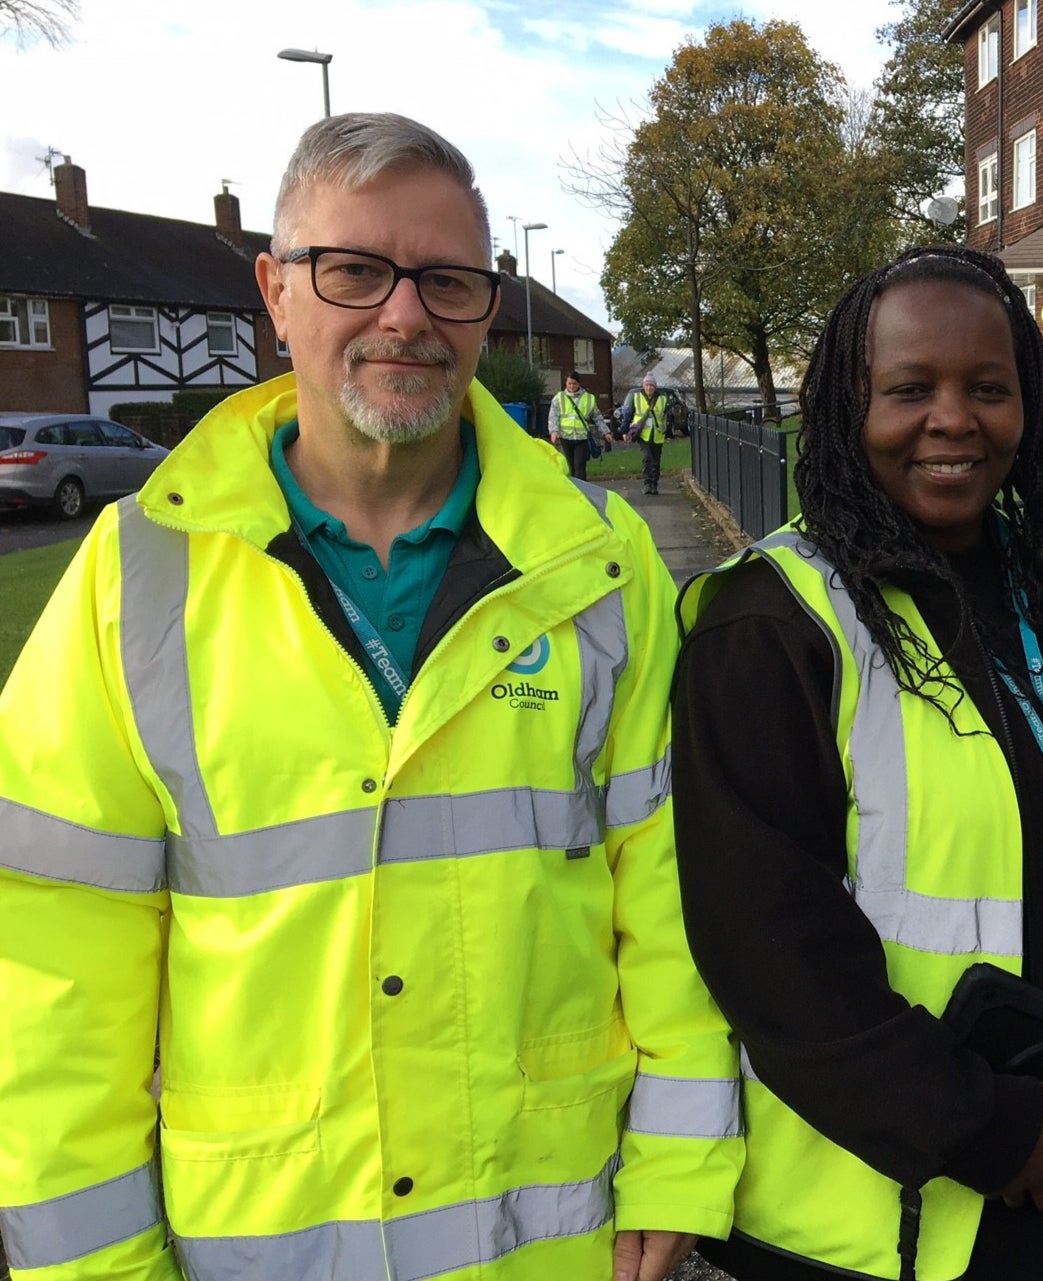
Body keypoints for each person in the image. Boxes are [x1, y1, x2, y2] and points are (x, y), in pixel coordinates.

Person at [0, 112, 740, 1281]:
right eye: (354, 270)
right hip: (258, 1240)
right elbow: (50, 959)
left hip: (554, 1238)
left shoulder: (601, 567)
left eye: (447, 280)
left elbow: (673, 885)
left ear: (486, 307)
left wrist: (680, 1153)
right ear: (275, 293)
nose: (406, 314)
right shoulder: (131, 578)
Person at [673, 245, 1043, 1281]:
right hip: (879, 1215)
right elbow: (768, 948)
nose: (953, 419)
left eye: (989, 388)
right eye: (910, 388)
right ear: (848, 405)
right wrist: (980, 1125)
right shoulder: (774, 621)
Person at [550, 369, 610, 480]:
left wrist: (606, 432)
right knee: (570, 467)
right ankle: (573, 491)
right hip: (565, 437)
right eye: (569, 383)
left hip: (581, 438)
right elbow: (553, 416)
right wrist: (553, 431)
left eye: (574, 384)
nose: (572, 386)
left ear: (579, 384)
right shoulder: (559, 398)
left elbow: (597, 417)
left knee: (580, 466)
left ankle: (582, 492)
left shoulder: (588, 398)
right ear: (566, 383)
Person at [620, 375, 674, 494]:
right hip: (643, 433)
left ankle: (654, 485)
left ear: (655, 387)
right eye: (647, 385)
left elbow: (667, 416)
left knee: (656, 461)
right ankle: (647, 484)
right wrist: (624, 431)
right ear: (643, 386)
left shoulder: (662, 399)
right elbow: (628, 414)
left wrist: (668, 430)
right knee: (647, 458)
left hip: (658, 434)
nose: (649, 388)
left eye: (651, 385)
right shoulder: (637, 397)